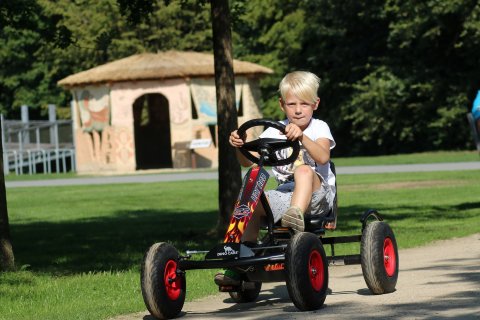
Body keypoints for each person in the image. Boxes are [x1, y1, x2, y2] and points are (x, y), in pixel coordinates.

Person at [214, 71, 336, 286]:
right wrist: (240, 145)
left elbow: (323, 157)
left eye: (304, 104)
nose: (298, 110)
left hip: (318, 196)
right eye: (291, 104)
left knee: (304, 170)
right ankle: (241, 261)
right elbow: (246, 162)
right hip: (286, 195)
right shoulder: (274, 131)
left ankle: (295, 216)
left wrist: (302, 136)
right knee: (250, 203)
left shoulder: (319, 127)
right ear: (282, 105)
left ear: (315, 104)